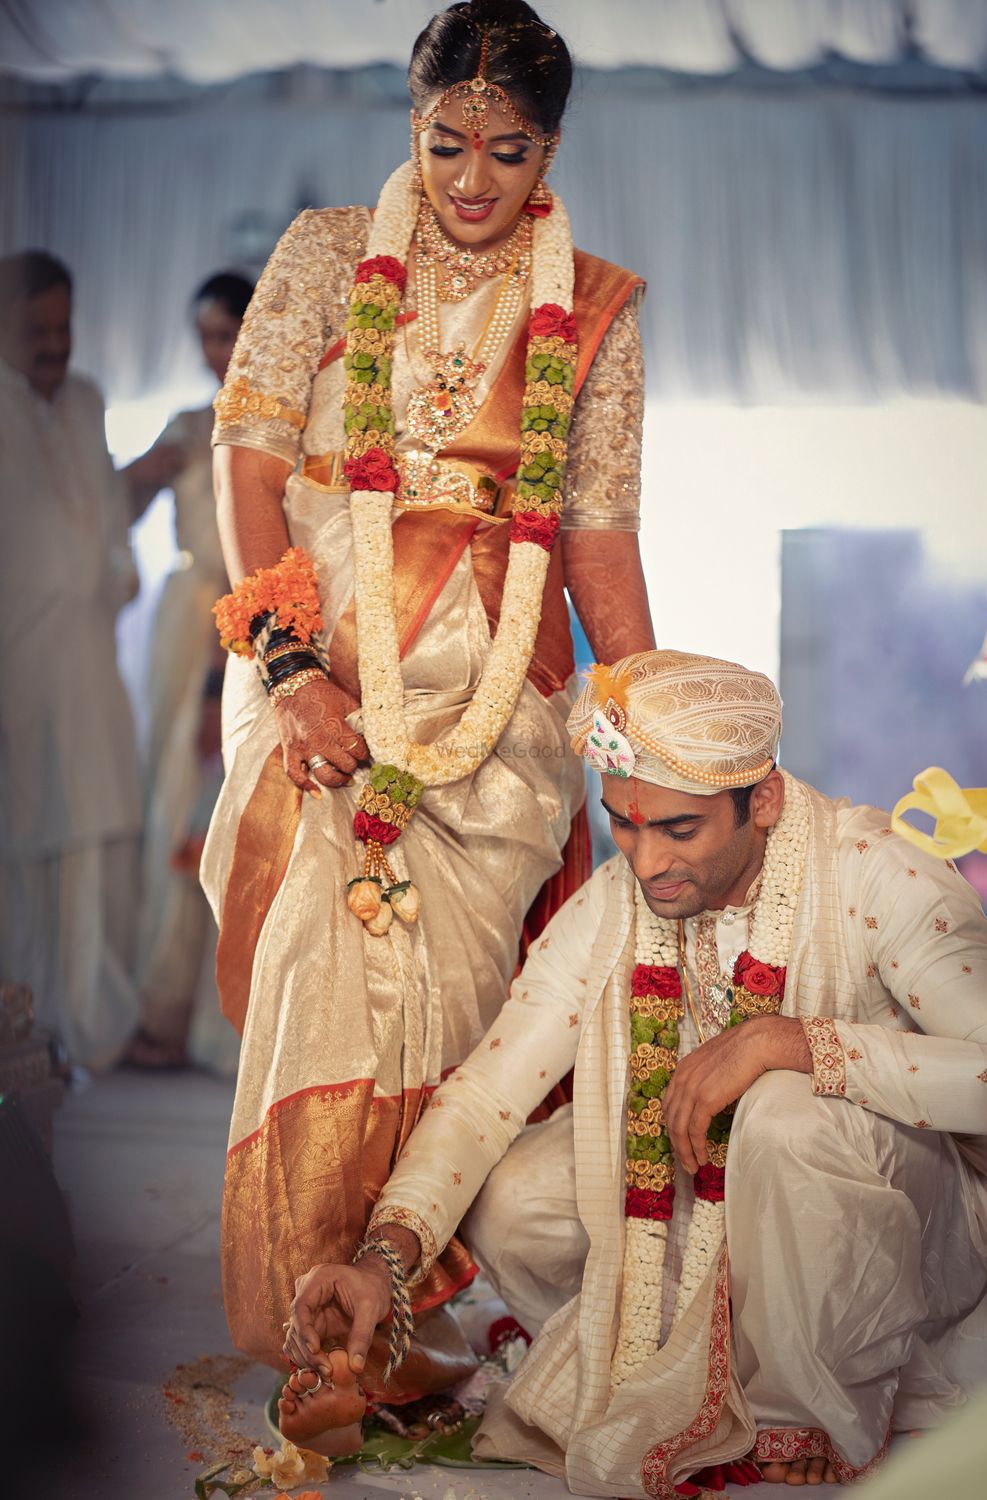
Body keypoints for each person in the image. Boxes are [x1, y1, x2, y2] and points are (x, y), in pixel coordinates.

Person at [202, 0, 656, 1443]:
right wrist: (290, 669)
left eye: (507, 152)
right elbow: (253, 462)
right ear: (411, 128)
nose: (472, 179)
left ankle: (404, 1313)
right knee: (322, 960)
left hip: (495, 708)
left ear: (552, 150)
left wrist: (648, 729)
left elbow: (595, 546)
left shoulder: (592, 306)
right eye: (445, 143)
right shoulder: (330, 254)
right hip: (318, 655)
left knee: (457, 1008)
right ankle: (309, 1326)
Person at [279, 648, 987, 1493]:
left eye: (679, 828)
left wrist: (786, 1042)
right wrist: (382, 1259)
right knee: (512, 1196)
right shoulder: (621, 902)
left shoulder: (878, 873)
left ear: (761, 800)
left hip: (899, 1213)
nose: (647, 860)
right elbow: (486, 1095)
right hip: (701, 1203)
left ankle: (805, 1397)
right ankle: (677, 1351)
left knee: (779, 1111)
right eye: (624, 821)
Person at [0, 250, 172, 1069]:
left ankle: (99, 1029)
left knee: (100, 839)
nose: (55, 345)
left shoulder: (86, 400)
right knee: (25, 849)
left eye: (64, 328)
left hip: (90, 657)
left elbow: (103, 519)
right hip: (18, 666)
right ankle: (26, 1030)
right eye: (36, 330)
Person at [125, 272, 254, 1073]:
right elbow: (100, 505)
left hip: (238, 624)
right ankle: (161, 1008)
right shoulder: (185, 424)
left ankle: (205, 1019)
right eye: (207, 335)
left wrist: (220, 671)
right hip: (184, 626)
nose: (219, 351)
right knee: (174, 803)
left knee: (215, 809)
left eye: (230, 331)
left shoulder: (281, 420)